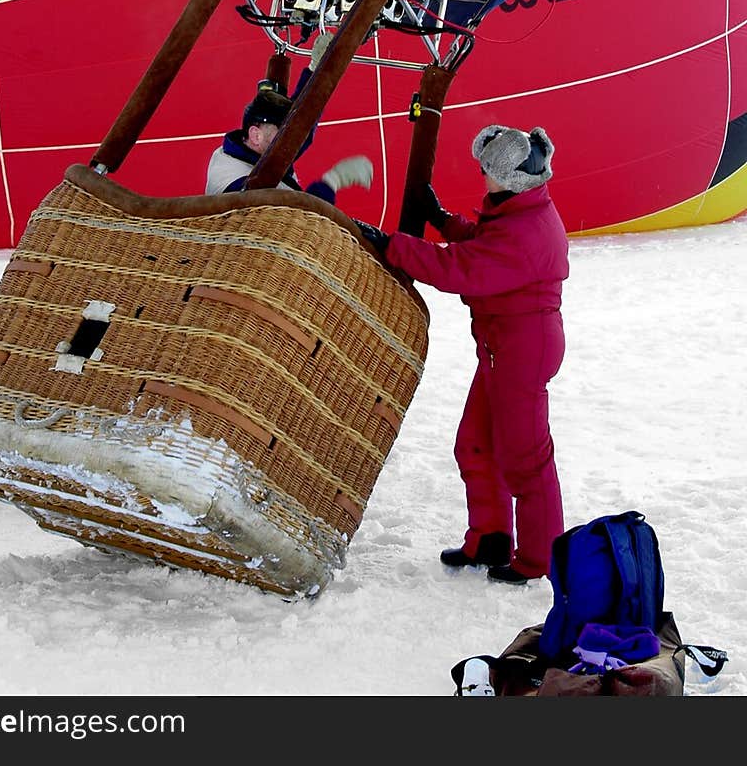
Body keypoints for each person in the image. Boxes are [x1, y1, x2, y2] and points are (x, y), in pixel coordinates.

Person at [374, 125, 568, 585]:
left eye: (487, 170)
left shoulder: (527, 230)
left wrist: (389, 245)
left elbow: (459, 268)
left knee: (526, 458)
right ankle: (491, 539)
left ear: (508, 176)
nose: (482, 176)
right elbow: (481, 240)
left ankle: (537, 559)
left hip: (524, 348)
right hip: (503, 346)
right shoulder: (520, 207)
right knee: (476, 445)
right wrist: (441, 219)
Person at [205, 33, 374, 204]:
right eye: (283, 132)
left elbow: (299, 130)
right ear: (256, 135)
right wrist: (332, 181)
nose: (290, 140)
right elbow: (300, 214)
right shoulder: (235, 180)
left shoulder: (257, 151)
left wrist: (316, 70)